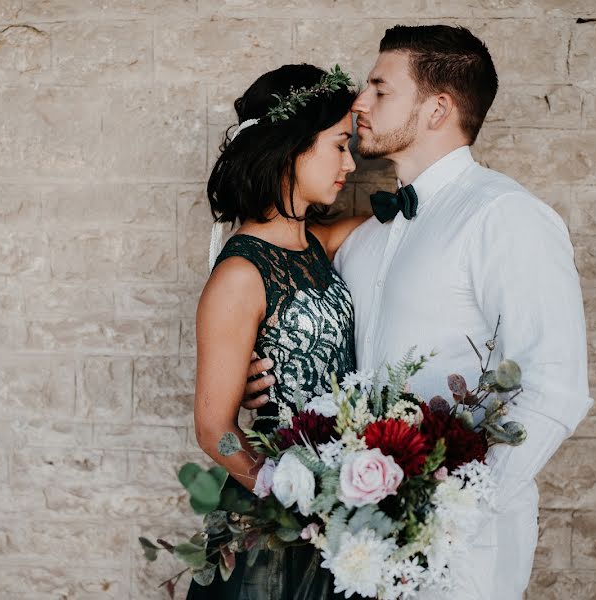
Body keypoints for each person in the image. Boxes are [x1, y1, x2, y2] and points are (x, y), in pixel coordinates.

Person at [243, 25, 592, 600]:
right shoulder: (366, 237)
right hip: (357, 535)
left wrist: (448, 515)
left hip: (464, 545)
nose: (360, 103)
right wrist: (268, 377)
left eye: (381, 89)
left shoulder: (505, 218)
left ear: (437, 108)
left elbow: (554, 388)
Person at [190, 63, 364, 599]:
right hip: (280, 523)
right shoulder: (240, 276)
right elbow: (213, 428)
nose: (351, 164)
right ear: (291, 150)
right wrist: (288, 499)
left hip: (342, 504)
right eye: (339, 145)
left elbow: (397, 225)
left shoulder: (316, 243)